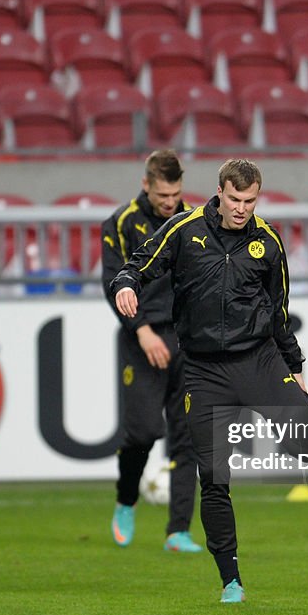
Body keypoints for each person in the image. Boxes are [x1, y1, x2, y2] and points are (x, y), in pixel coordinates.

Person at [112, 159, 308, 603]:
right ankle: (231, 580)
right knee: (214, 476)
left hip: (259, 360)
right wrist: (126, 285)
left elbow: (279, 310)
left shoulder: (268, 241)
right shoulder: (184, 229)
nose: (242, 208)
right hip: (204, 370)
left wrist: (296, 367)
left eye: (250, 201)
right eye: (235, 199)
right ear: (219, 193)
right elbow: (137, 264)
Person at [100, 149, 201, 553]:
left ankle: (178, 530)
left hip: (187, 341)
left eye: (175, 193)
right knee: (142, 431)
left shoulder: (193, 221)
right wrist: (142, 331)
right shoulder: (121, 223)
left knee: (188, 435)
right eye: (162, 194)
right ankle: (126, 500)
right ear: (146, 185)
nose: (170, 202)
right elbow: (113, 284)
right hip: (142, 339)